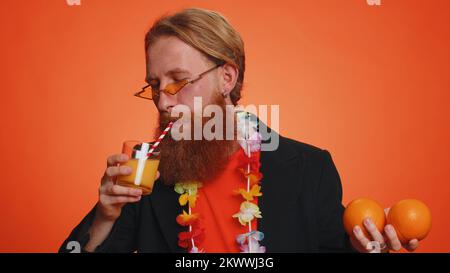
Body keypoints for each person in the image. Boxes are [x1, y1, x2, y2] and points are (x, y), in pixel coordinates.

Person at [59, 8, 418, 253]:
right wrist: (106, 218)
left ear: (227, 78)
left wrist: (371, 246)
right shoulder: (146, 178)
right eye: (155, 85)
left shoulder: (310, 168)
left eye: (178, 81)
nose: (164, 102)